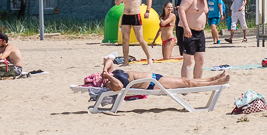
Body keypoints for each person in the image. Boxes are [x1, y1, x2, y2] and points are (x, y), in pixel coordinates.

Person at [96, 54, 229, 91]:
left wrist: (104, 70)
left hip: (155, 77)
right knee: (186, 82)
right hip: (153, 84)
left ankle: (213, 78)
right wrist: (107, 77)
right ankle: (215, 82)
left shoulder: (111, 74)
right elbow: (119, 87)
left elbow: (110, 59)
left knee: (185, 81)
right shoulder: (110, 84)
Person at [177, 0, 216, 78]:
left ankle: (197, 83)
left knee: (200, 59)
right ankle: (185, 85)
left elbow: (203, 12)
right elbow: (181, 10)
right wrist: (186, 28)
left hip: (200, 32)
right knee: (188, 60)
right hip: (189, 31)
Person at [115, 0, 153, 65]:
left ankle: (149, 57)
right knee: (125, 39)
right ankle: (126, 61)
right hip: (126, 16)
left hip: (136, 15)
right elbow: (117, 3)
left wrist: (147, 11)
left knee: (140, 39)